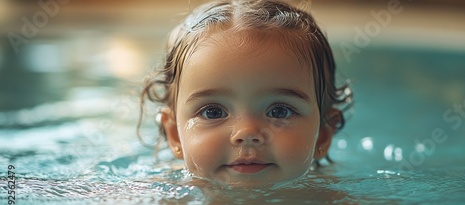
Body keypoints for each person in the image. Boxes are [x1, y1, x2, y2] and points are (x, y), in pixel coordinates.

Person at [138, 0, 353, 188]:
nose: (247, 132)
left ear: (323, 134)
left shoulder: (326, 199)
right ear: (175, 134)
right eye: (213, 112)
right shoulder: (167, 199)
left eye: (280, 111)